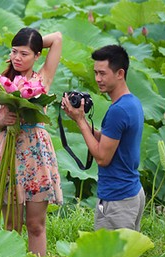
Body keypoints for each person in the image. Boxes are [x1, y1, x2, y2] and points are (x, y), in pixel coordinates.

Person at [0, 28, 63, 257]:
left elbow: (57, 38)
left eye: (25, 54)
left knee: (36, 225)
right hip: (8, 149)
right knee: (11, 226)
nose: (17, 58)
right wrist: (2, 120)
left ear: (37, 55)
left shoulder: (42, 79)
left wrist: (35, 40)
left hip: (36, 153)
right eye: (14, 52)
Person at [62, 45, 145, 231]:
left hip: (118, 199)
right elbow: (112, 140)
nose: (98, 79)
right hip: (132, 192)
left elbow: (102, 157)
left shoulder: (118, 111)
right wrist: (79, 119)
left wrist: (81, 123)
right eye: (95, 73)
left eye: (102, 73)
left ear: (120, 73)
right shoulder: (132, 102)